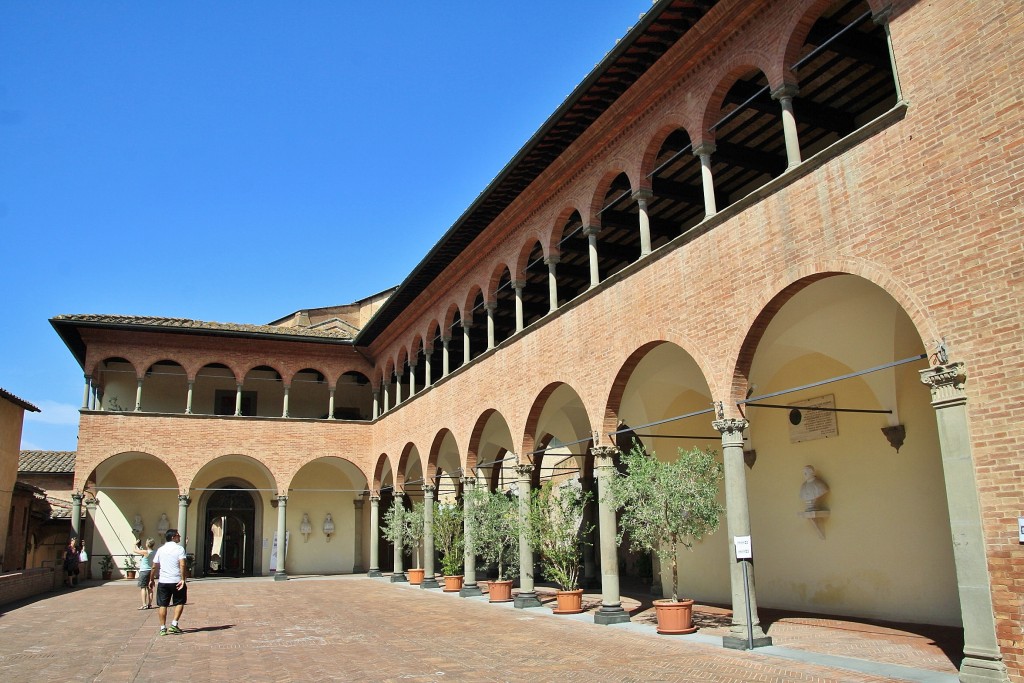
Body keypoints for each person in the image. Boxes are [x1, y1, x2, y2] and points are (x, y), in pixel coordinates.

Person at [150, 529, 187, 636]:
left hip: (163, 581)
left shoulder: (161, 549)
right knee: (180, 602)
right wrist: (183, 579)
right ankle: (174, 624)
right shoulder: (179, 549)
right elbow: (182, 564)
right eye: (178, 535)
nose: (179, 537)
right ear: (173, 537)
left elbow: (154, 566)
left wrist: (151, 579)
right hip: (176, 580)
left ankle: (162, 628)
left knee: (163, 604)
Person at [133, 537, 156, 609]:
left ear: (147, 544)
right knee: (150, 588)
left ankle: (144, 604)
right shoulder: (154, 552)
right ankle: (150, 604)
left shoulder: (146, 552)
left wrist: (135, 544)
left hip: (144, 571)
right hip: (151, 571)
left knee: (143, 587)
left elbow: (134, 550)